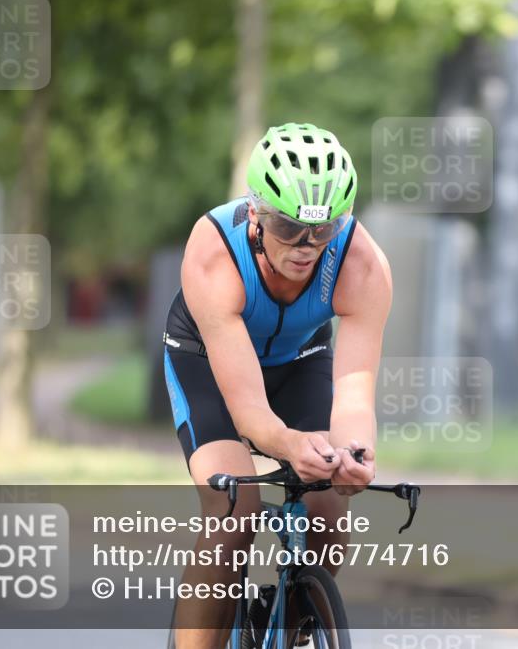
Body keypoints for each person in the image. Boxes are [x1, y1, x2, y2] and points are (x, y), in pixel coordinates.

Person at [162, 122, 392, 647]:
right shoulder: (213, 251)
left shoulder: (362, 263)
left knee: (330, 512)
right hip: (208, 362)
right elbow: (248, 411)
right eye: (289, 228)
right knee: (233, 515)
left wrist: (356, 452)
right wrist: (291, 445)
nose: (306, 246)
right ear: (256, 215)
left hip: (301, 357)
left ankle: (291, 627)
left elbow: (354, 389)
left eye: (324, 228)